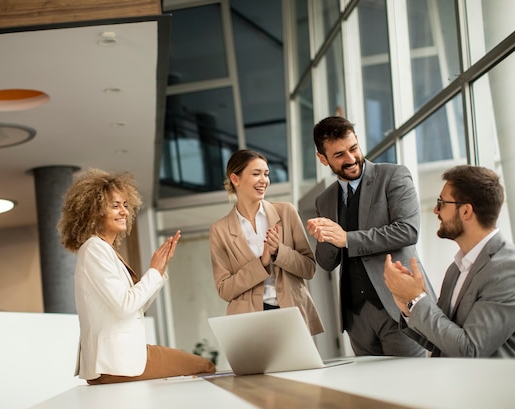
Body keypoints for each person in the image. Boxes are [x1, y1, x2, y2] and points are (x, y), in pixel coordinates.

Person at [58, 168, 216, 384]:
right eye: (115, 205)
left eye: (125, 205)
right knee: (205, 366)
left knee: (199, 370)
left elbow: (136, 307)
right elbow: (125, 306)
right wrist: (152, 271)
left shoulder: (104, 249)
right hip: (116, 362)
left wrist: (158, 271)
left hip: (122, 359)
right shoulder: (94, 249)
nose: (124, 211)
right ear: (93, 211)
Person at [306, 116, 435, 356]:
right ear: (322, 159)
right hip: (357, 318)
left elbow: (408, 230)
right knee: (369, 392)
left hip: (400, 307)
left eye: (353, 148)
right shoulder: (323, 200)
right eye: (339, 155)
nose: (351, 159)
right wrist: (325, 239)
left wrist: (347, 239)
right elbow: (326, 262)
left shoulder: (393, 176)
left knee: (413, 386)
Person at [383, 165, 515, 357]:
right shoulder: (456, 269)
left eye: (442, 202)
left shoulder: (507, 269)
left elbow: (469, 350)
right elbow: (440, 340)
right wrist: (409, 305)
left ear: (466, 211)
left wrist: (417, 299)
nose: (436, 210)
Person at [209, 149, 324, 335]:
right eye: (256, 174)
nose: (264, 180)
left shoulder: (286, 212)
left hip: (291, 313)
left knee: (300, 365)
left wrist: (279, 252)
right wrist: (261, 264)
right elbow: (225, 290)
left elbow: (309, 268)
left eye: (266, 174)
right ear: (235, 179)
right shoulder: (220, 230)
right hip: (249, 321)